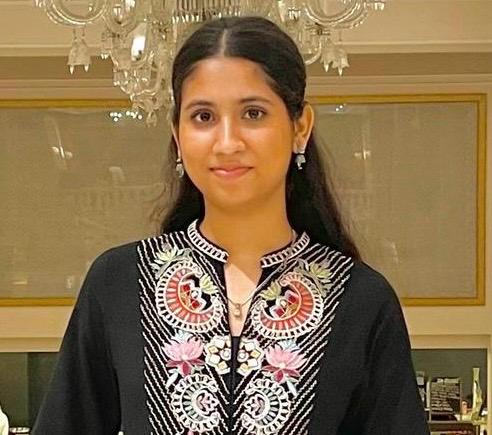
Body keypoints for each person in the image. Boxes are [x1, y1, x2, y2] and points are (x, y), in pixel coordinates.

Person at [32, 16, 430, 435]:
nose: (227, 143)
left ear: (300, 127)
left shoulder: (360, 300)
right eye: (203, 116)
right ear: (177, 134)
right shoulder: (120, 283)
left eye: (253, 113)